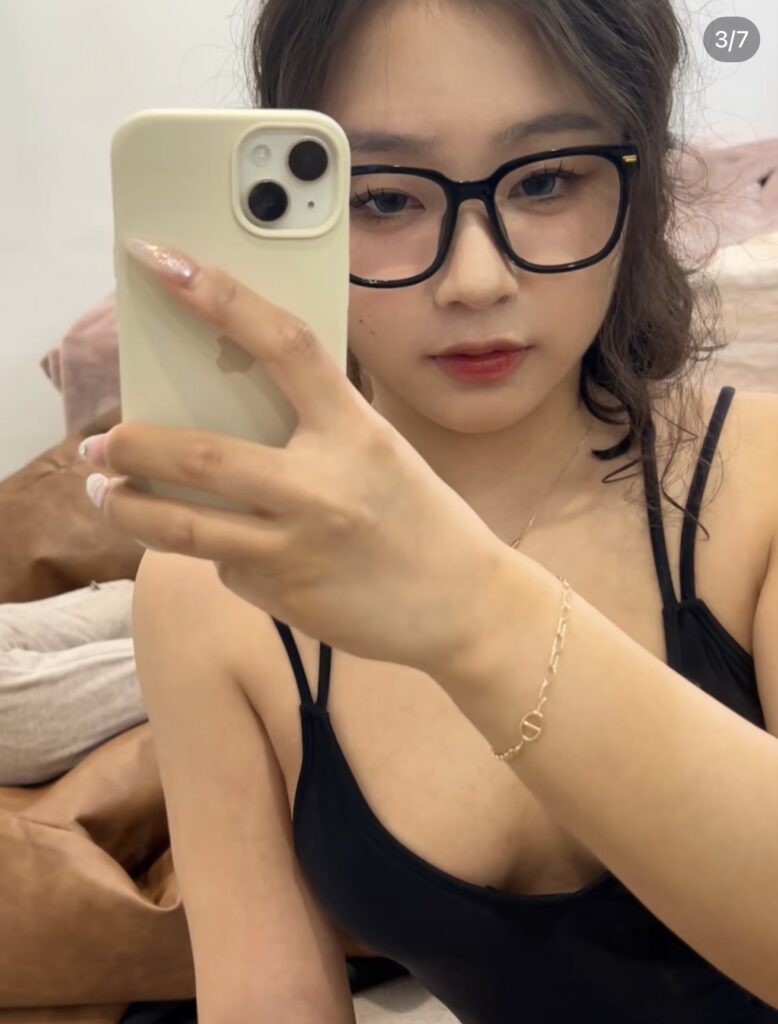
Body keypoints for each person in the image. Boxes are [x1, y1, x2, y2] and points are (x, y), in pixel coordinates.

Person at [78, 0, 778, 1021]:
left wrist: (466, 605)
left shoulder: (757, 483)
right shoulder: (208, 591)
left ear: (637, 182)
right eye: (383, 198)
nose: (475, 279)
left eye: (546, 180)